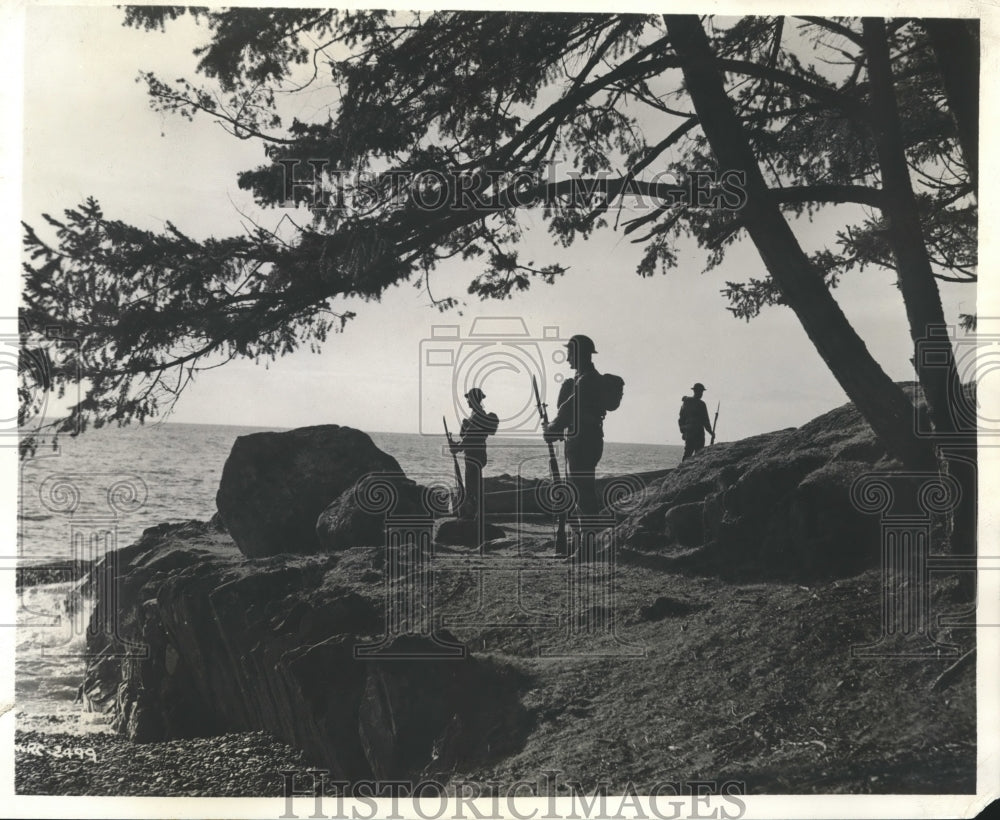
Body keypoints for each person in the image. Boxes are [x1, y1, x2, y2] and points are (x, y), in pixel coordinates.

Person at [544, 334, 606, 520]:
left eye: (570, 353)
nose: (568, 358)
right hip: (585, 439)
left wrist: (551, 428)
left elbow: (569, 410)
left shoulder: (586, 381)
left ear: (579, 353)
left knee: (583, 494)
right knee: (582, 491)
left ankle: (589, 542)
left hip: (582, 443)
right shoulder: (584, 379)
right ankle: (587, 540)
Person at [449, 387, 499, 519]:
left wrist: (457, 448)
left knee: (474, 487)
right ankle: (473, 512)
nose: (467, 401)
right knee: (471, 486)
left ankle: (477, 514)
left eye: (469, 399)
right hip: (472, 454)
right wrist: (457, 445)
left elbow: (469, 437)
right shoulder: (474, 416)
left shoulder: (478, 416)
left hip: (476, 455)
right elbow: (466, 438)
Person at [679, 382, 714, 460]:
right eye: (700, 391)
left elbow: (681, 419)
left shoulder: (687, 402)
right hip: (697, 433)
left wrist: (683, 431)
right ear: (696, 391)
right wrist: (711, 432)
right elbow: (706, 421)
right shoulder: (700, 404)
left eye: (702, 392)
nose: (701, 393)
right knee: (696, 455)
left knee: (689, 454)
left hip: (691, 432)